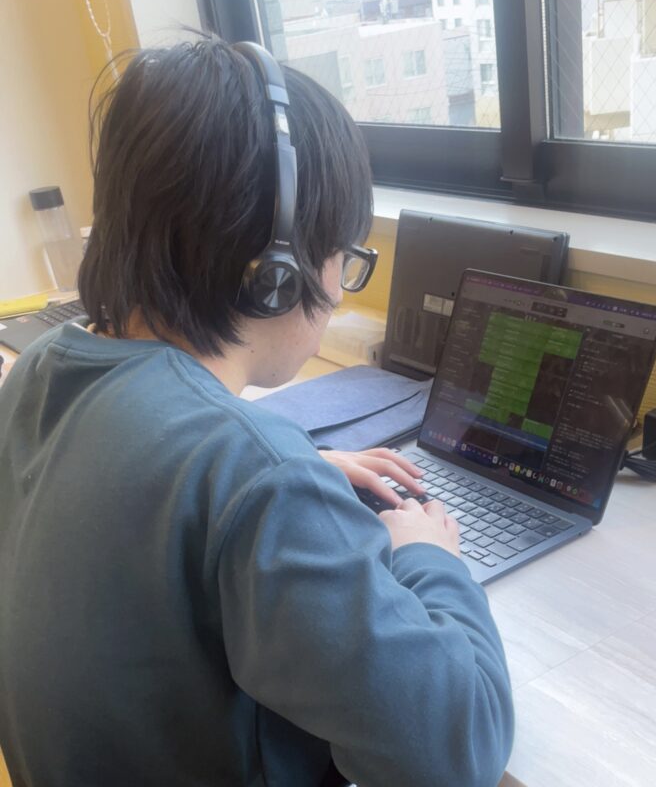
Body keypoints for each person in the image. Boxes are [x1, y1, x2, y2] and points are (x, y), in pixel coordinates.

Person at [0, 38, 513, 787]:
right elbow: (458, 756)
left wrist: (293, 468)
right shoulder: (249, 477)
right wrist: (427, 556)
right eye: (344, 255)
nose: (339, 287)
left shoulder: (41, 368)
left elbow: (149, 491)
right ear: (275, 271)